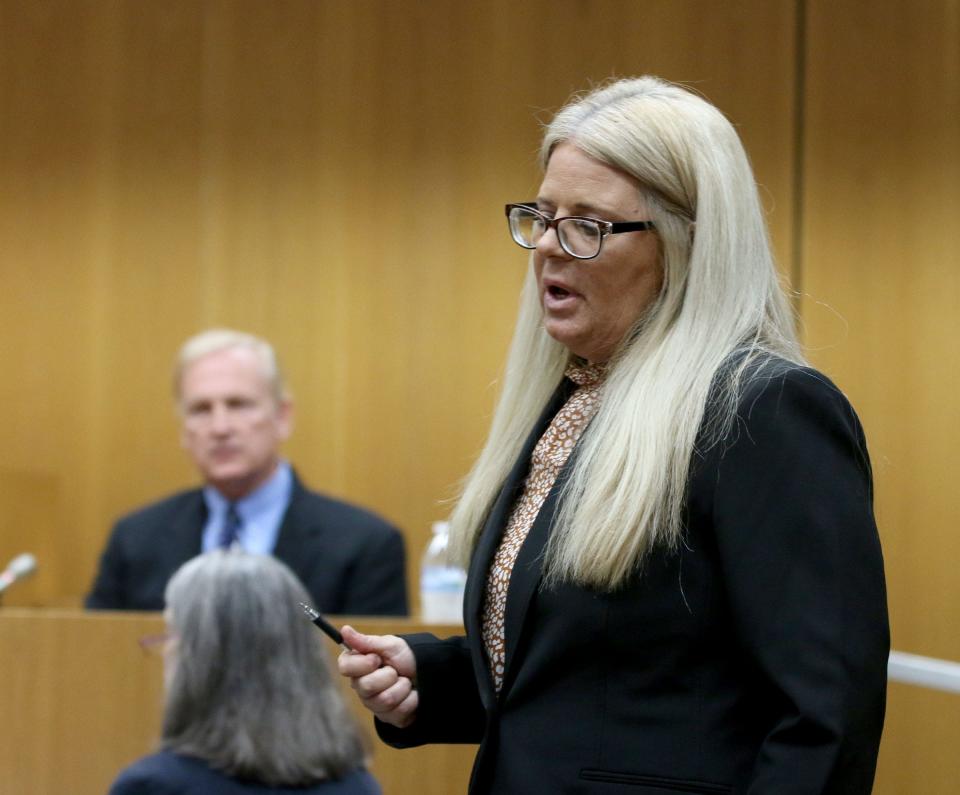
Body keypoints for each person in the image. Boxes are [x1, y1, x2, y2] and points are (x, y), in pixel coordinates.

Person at [338, 77, 889, 794]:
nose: (547, 249)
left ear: (686, 242)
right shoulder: (576, 397)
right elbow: (604, 674)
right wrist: (435, 678)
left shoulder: (765, 411)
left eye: (588, 225)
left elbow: (825, 719)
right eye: (542, 216)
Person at [86, 328, 408, 615]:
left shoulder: (364, 543)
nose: (220, 427)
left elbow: (374, 671)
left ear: (282, 417)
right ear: (184, 430)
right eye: (200, 409)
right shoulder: (135, 539)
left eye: (238, 404)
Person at [108, 550, 382, 795]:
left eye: (171, 635)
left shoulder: (152, 787)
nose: (165, 650)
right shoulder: (358, 786)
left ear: (202, 658)